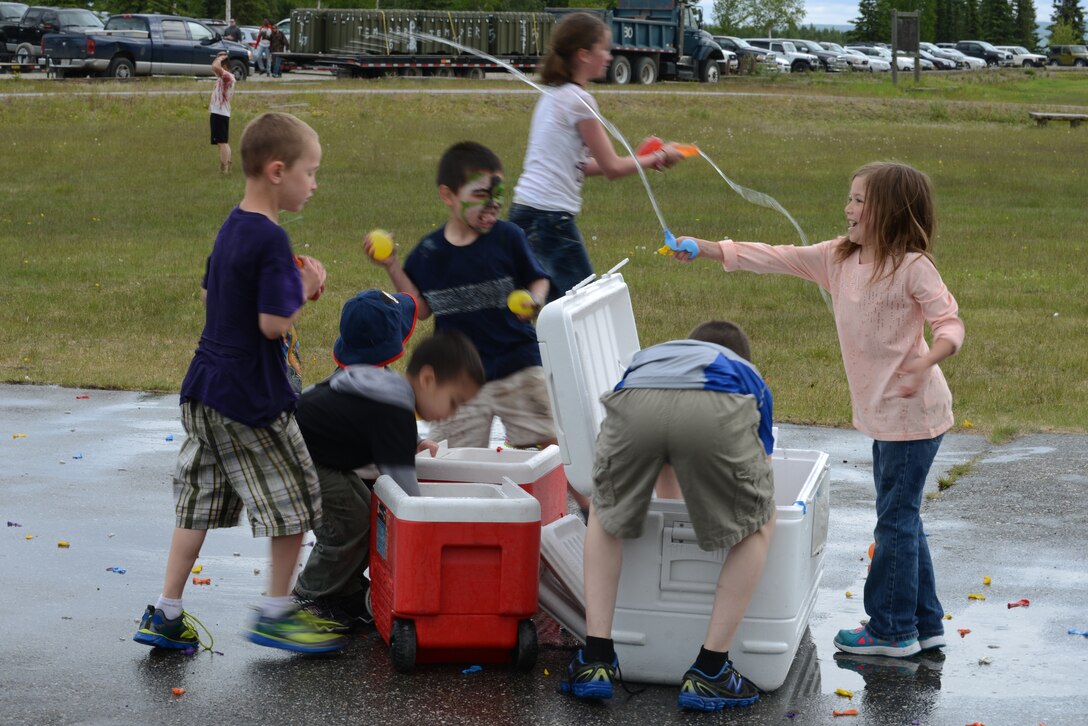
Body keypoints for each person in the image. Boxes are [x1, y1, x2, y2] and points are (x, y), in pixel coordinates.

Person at [673, 161, 965, 659]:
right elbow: (775, 256)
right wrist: (706, 248)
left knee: (894, 521)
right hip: (884, 415)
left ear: (890, 211)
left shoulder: (913, 266)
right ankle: (926, 622)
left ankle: (891, 630)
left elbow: (951, 324)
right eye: (849, 198)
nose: (848, 209)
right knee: (903, 517)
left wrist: (928, 360)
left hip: (915, 416)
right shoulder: (838, 258)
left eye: (859, 201)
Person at [133, 112, 345, 655]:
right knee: (297, 499)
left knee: (198, 501)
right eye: (311, 172)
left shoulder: (232, 225)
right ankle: (276, 612)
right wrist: (308, 284)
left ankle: (167, 611)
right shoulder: (273, 238)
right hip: (250, 397)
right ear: (278, 171)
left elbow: (211, 296)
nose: (315, 184)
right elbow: (274, 324)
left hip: (203, 390)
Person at [561, 320, 776, 711]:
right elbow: (762, 469)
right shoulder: (745, 373)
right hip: (715, 406)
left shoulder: (651, 358)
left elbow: (666, 451)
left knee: (607, 513)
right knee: (758, 523)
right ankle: (711, 670)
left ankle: (595, 658)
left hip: (634, 400)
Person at [369, 141, 557, 455]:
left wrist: (534, 300)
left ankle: (590, 504)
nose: (493, 204)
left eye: (498, 194)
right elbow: (423, 308)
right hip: (458, 379)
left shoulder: (509, 237)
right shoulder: (430, 252)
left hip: (518, 364)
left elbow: (538, 279)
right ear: (449, 195)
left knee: (554, 443)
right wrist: (391, 265)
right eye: (481, 195)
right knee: (450, 459)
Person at [292, 326, 485, 630]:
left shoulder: (394, 397)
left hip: (316, 452)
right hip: (297, 454)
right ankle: (307, 597)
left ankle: (342, 593)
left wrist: (413, 443)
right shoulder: (395, 408)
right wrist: (432, 531)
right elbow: (407, 498)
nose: (452, 414)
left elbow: (371, 425)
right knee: (349, 524)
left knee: (367, 514)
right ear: (428, 380)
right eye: (454, 402)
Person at [509, 11, 686, 303]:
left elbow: (586, 166)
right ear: (583, 54)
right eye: (603, 49)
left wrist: (640, 157)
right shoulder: (580, 101)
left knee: (549, 306)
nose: (608, 56)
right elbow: (613, 168)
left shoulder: (554, 95)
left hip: (525, 213)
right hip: (549, 219)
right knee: (581, 305)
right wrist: (658, 157)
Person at [209, 52, 235, 175]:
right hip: (219, 112)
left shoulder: (227, 77)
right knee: (223, 141)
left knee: (222, 142)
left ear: (224, 67)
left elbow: (215, 67)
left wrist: (219, 58)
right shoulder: (224, 76)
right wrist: (219, 58)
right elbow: (214, 67)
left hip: (220, 113)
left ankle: (224, 168)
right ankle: (226, 165)